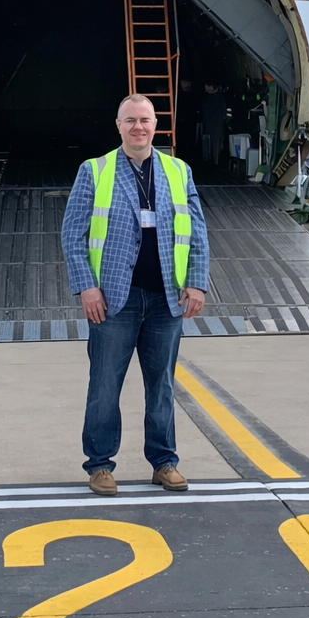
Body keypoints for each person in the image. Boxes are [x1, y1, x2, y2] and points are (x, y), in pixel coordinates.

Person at [61, 94, 209, 497]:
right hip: (113, 299)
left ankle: (165, 463)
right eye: (131, 120)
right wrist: (86, 286)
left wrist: (196, 281)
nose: (138, 127)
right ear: (118, 125)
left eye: (145, 120)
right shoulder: (95, 171)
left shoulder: (179, 171)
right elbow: (73, 234)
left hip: (166, 298)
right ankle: (100, 466)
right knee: (105, 385)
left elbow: (196, 232)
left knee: (160, 385)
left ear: (155, 125)